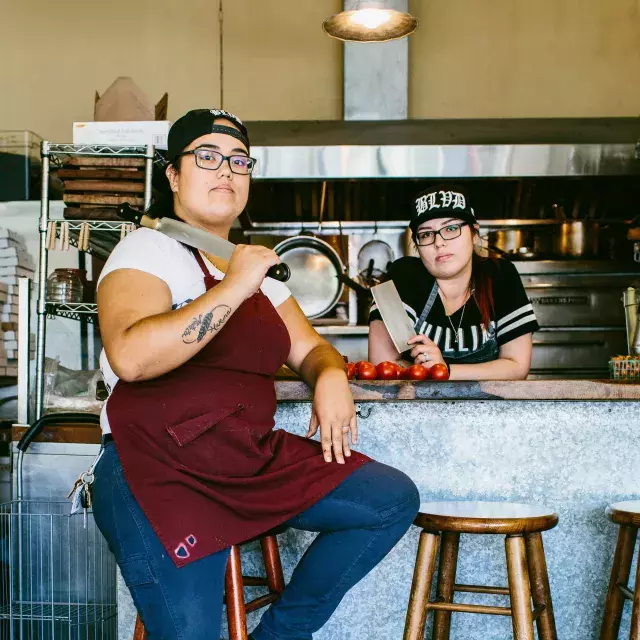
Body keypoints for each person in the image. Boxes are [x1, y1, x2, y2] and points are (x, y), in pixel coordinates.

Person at [91, 109, 419, 640]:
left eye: (239, 160)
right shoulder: (145, 250)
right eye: (207, 157)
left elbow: (312, 348)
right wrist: (236, 283)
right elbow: (131, 356)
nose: (226, 170)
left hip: (243, 457)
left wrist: (330, 376)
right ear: (173, 175)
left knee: (388, 499)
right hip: (157, 469)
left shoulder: (261, 276)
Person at [369, 186, 539, 379]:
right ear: (416, 245)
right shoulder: (402, 277)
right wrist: (431, 371)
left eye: (451, 228)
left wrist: (445, 370)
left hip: (491, 407)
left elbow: (517, 366)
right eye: (426, 234)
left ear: (474, 234)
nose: (439, 242)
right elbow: (383, 365)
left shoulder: (501, 276)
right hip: (418, 407)